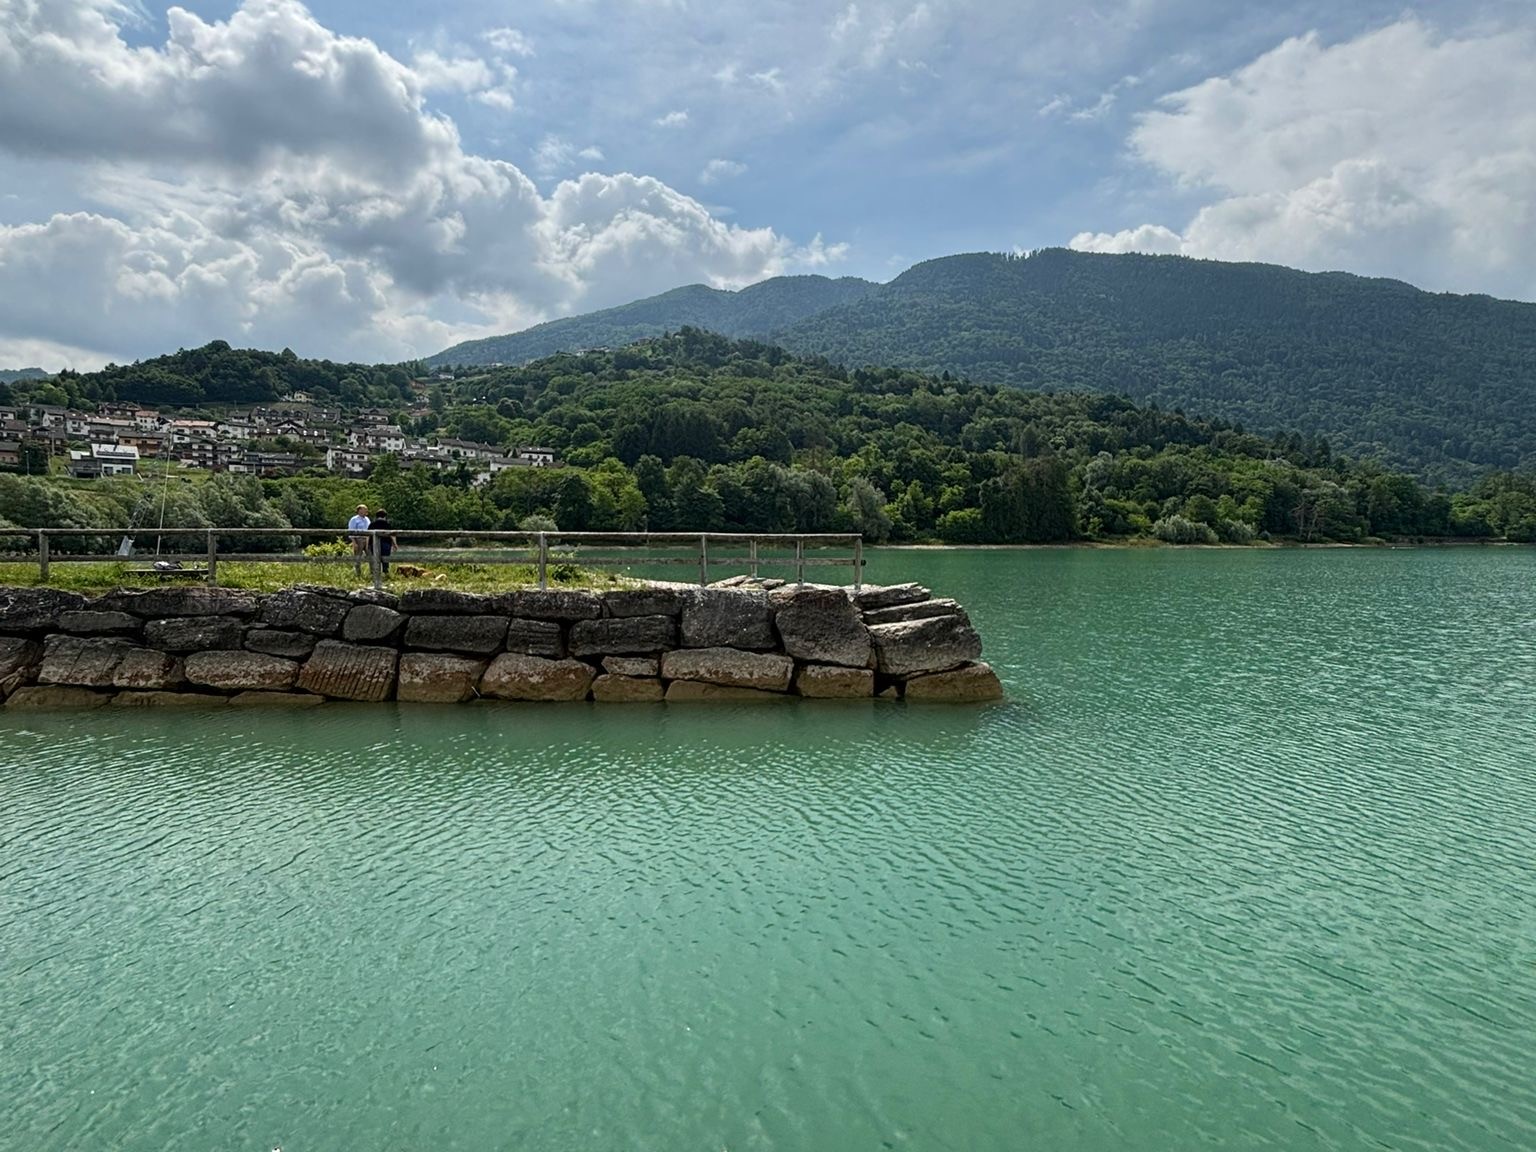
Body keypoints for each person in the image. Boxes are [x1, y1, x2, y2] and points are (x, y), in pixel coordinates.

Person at [371, 509, 396, 575]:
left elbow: (368, 536)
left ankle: (376, 573)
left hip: (374, 544)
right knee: (385, 559)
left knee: (376, 559)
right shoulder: (387, 524)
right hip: (386, 544)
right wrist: (395, 544)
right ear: (385, 516)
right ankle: (385, 572)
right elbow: (392, 535)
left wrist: (367, 544)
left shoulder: (372, 524)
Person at [347, 503, 370, 576]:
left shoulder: (367, 519)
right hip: (358, 539)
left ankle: (373, 573)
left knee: (371, 556)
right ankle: (358, 574)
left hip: (367, 539)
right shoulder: (354, 519)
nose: (366, 511)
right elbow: (351, 531)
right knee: (358, 557)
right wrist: (354, 542)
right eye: (365, 509)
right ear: (360, 510)